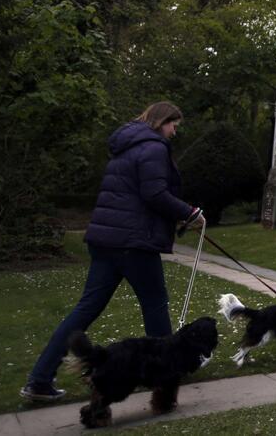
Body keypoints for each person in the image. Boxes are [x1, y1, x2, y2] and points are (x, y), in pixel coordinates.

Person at [20, 102, 205, 403]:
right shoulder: (154, 148)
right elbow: (155, 194)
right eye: (174, 125)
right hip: (134, 242)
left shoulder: (126, 146)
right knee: (156, 306)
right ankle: (165, 383)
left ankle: (40, 379)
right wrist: (190, 213)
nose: (174, 132)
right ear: (162, 121)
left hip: (106, 240)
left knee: (85, 309)